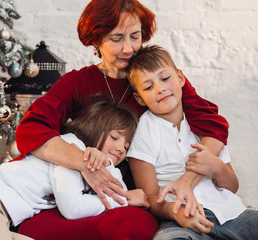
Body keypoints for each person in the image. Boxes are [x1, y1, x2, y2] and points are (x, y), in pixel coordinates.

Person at [15, 0, 229, 216]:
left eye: (135, 36)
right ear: (96, 40)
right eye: (116, 39)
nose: (129, 49)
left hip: (133, 195)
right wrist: (86, 165)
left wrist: (187, 181)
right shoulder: (77, 82)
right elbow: (30, 130)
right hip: (79, 191)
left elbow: (214, 127)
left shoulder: (161, 80)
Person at [0, 97, 150, 240]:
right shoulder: (72, 149)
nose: (121, 148)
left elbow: (115, 187)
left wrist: (108, 164)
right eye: (115, 137)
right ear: (96, 128)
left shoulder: (92, 171)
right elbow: (72, 208)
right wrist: (126, 198)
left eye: (127, 146)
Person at [126, 45, 258, 239]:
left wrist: (217, 166)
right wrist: (176, 212)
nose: (159, 88)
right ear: (140, 99)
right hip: (182, 219)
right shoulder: (145, 131)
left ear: (181, 79)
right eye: (148, 87)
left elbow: (232, 186)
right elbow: (150, 198)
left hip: (230, 214)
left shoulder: (204, 122)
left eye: (165, 78)